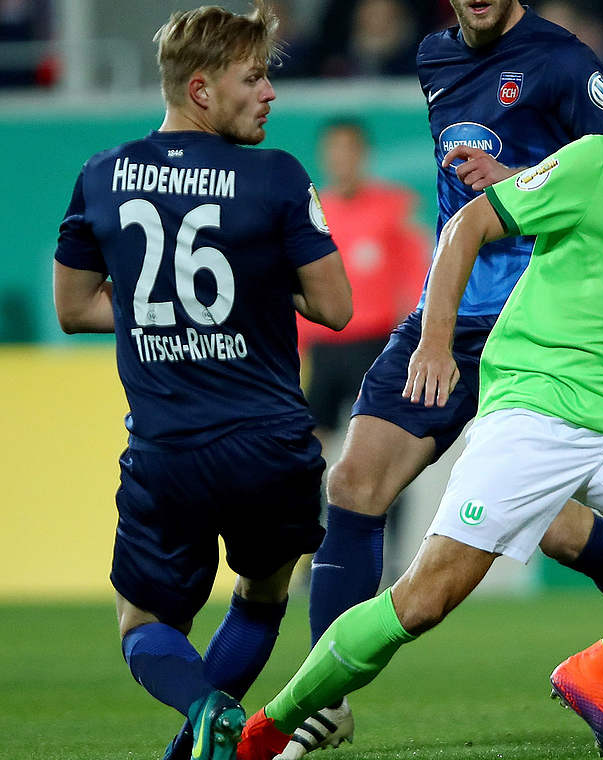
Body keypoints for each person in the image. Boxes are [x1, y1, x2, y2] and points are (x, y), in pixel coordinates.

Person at [237, 22, 603, 760]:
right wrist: (433, 341)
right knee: (423, 598)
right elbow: (466, 228)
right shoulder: (602, 162)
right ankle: (276, 723)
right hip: (535, 409)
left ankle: (602, 668)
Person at [50, 3, 352, 760]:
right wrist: (248, 291)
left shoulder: (101, 175)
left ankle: (201, 712)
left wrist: (171, 308)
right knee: (261, 598)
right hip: (274, 446)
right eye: (254, 78)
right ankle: (195, 747)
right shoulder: (278, 175)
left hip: (168, 452)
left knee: (144, 625)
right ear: (201, 89)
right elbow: (335, 307)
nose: (270, 94)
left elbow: (75, 308)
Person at [298, 119, 426, 455]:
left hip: (374, 346)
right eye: (334, 151)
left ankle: (382, 509)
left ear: (363, 154)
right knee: (307, 447)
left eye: (349, 150)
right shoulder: (310, 214)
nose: (342, 159)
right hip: (320, 348)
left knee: (379, 445)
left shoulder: (394, 206)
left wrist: (414, 337)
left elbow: (417, 273)